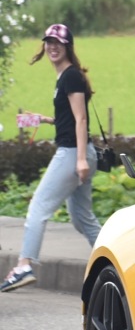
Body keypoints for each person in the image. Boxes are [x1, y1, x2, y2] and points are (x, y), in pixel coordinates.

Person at [1, 24, 100, 293]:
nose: (52, 47)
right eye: (48, 42)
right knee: (82, 218)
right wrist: (45, 120)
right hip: (79, 151)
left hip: (72, 154)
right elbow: (70, 118)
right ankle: (117, 264)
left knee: (37, 208)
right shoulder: (67, 77)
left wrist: (80, 160)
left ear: (68, 46)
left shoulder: (70, 77)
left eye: (58, 42)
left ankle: (24, 265)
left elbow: (81, 119)